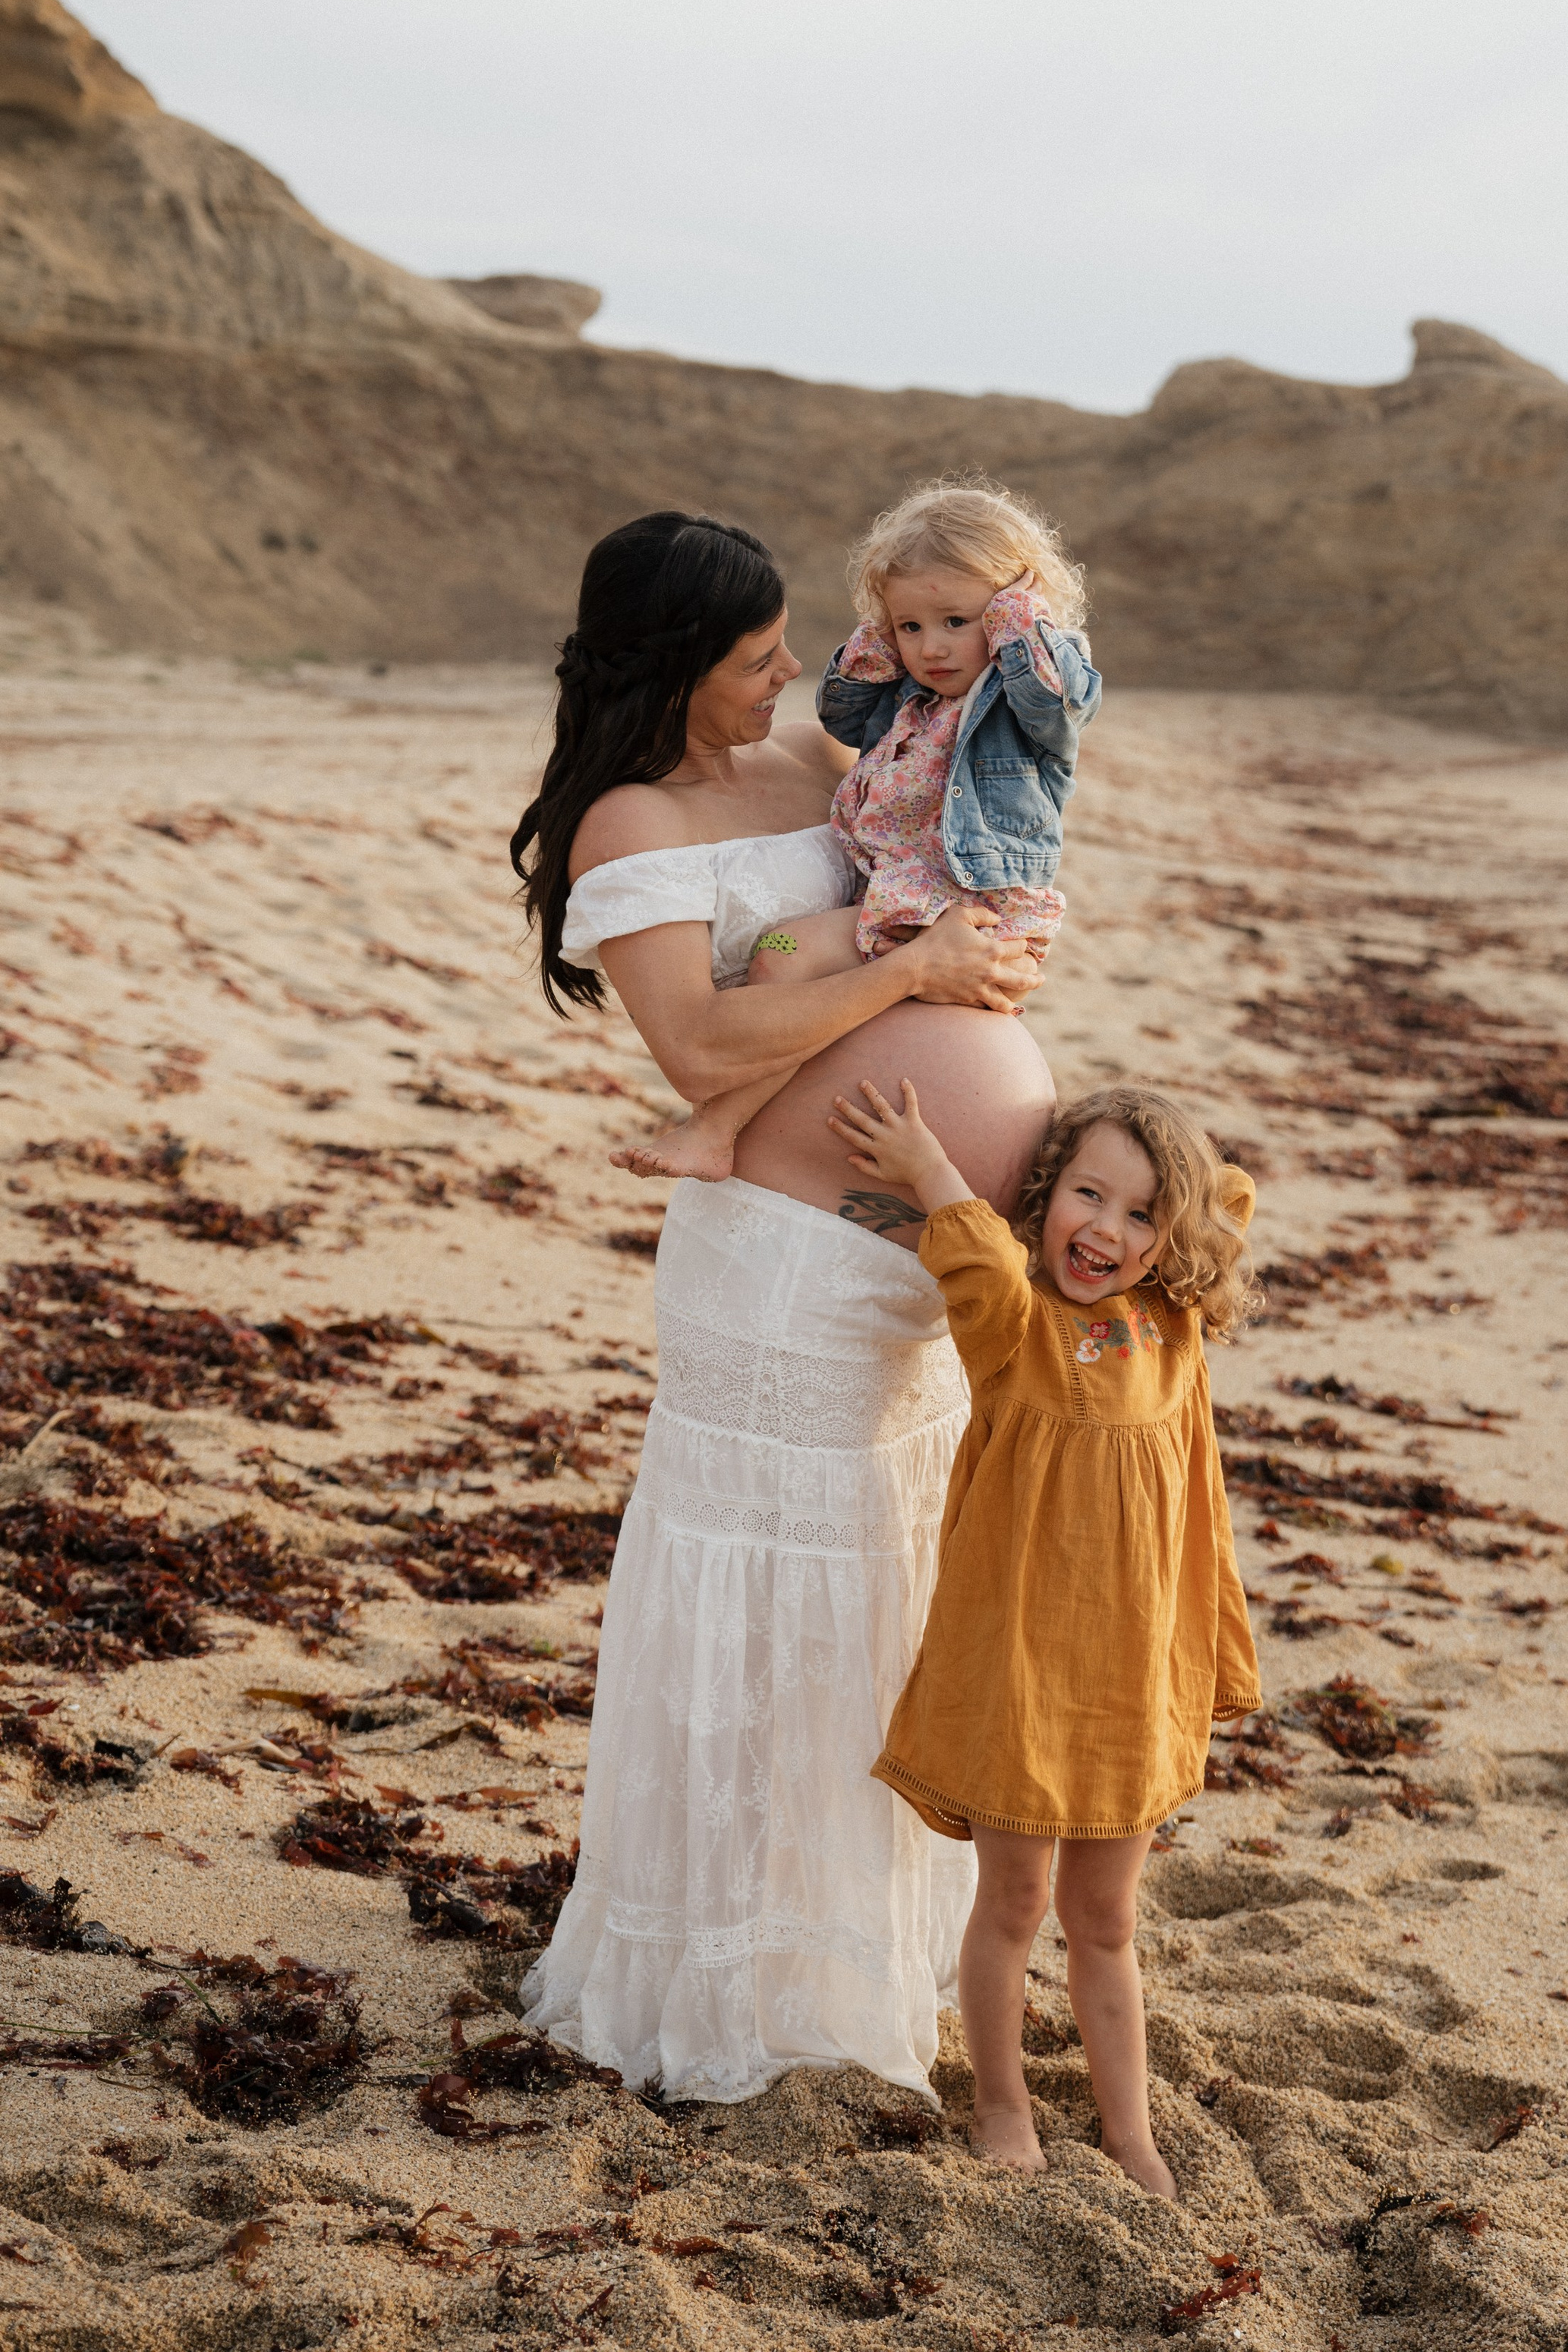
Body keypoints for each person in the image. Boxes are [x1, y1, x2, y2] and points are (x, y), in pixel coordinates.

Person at [509, 508, 1059, 2104]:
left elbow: (935, 850)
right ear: (680, 664)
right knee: (771, 1603)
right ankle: (742, 1975)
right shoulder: (626, 825)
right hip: (779, 1268)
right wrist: (913, 977)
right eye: (756, 660)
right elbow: (702, 1054)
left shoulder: (819, 763)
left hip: (920, 1258)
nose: (791, 678)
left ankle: (866, 1947)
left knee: (883, 1596)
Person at [828, 1075, 1261, 2197]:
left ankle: (1131, 2130)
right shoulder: (1014, 1329)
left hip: (1131, 1683)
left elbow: (1232, 1203)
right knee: (1014, 1905)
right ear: (1046, 1194)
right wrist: (927, 1166)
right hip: (1024, 1675)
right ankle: (1004, 2100)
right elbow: (968, 1248)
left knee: (1107, 1919)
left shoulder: (1172, 1327)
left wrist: (1192, 1201)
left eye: (1138, 1214)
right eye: (1086, 1194)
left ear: (1170, 1241)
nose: (1104, 1231)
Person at [621, 479, 1100, 1183]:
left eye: (956, 622)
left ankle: (716, 1129)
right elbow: (841, 712)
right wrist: (886, 628)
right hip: (902, 905)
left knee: (784, 958)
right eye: (911, 626)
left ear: (1007, 614)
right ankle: (723, 1124)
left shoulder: (1023, 710)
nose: (932, 647)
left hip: (961, 914)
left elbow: (1057, 695)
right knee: (779, 950)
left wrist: (1016, 614)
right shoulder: (917, 700)